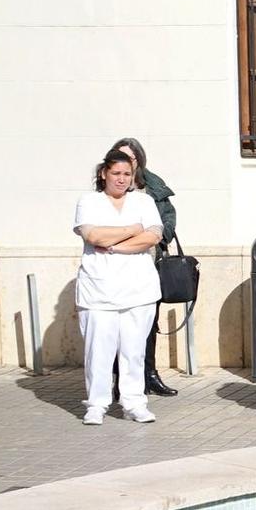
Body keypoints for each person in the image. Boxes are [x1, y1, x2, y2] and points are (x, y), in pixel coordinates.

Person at [73, 150, 165, 425]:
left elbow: (152, 237)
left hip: (139, 289)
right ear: (104, 173)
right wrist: (132, 229)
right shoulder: (89, 201)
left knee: (133, 351)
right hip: (98, 291)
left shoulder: (144, 201)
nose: (122, 179)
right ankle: (97, 404)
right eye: (116, 173)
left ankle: (134, 402)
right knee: (98, 351)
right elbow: (92, 234)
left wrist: (110, 246)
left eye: (127, 174)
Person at [109, 136, 178, 399]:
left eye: (131, 159)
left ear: (139, 160)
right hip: (116, 267)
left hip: (150, 264)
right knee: (117, 327)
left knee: (149, 324)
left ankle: (149, 374)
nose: (125, 167)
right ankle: (118, 379)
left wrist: (161, 234)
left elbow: (168, 219)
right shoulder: (107, 191)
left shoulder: (152, 187)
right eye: (120, 158)